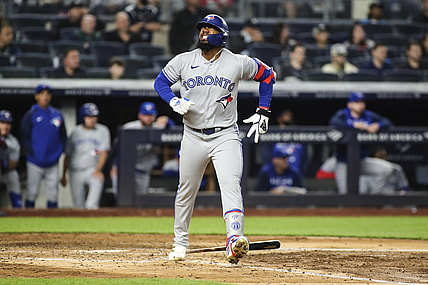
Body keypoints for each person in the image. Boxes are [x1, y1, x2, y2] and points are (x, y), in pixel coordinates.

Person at [153, 14, 275, 264]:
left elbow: (268, 75)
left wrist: (264, 109)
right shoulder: (184, 60)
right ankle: (180, 242)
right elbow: (160, 82)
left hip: (225, 135)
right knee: (186, 190)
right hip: (193, 135)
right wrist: (173, 100)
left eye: (209, 30)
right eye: (202, 30)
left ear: (222, 35)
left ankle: (234, 240)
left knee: (230, 185)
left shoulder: (237, 62)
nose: (203, 34)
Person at [329, 91, 399, 195]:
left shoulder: (368, 115)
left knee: (387, 169)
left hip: (362, 161)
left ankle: (374, 197)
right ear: (350, 104)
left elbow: (387, 122)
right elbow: (333, 122)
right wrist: (353, 125)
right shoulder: (343, 115)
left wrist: (378, 125)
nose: (360, 105)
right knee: (345, 195)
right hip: (344, 162)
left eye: (362, 102)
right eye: (357, 102)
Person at [110, 102, 173, 196]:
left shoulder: (158, 128)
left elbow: (174, 132)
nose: (148, 118)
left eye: (151, 115)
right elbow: (116, 149)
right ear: (140, 115)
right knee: (122, 199)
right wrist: (115, 165)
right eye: (145, 115)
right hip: (125, 170)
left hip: (143, 172)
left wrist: (168, 121)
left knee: (140, 201)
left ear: (155, 116)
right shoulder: (129, 128)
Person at [20, 84, 67, 208]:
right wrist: (33, 152)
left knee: (53, 193)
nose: (45, 97)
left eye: (48, 94)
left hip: (53, 161)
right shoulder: (31, 114)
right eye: (42, 94)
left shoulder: (57, 114)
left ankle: (53, 223)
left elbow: (63, 136)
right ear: (37, 96)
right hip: (34, 161)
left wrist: (59, 152)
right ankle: (27, 221)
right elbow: (24, 136)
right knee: (32, 192)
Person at [61, 103, 111, 209]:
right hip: (75, 171)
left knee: (91, 205)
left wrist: (98, 170)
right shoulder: (75, 132)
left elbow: (104, 153)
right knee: (78, 206)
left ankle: (93, 225)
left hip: (93, 171)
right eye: (89, 117)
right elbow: (68, 155)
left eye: (94, 117)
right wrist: (63, 174)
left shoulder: (102, 130)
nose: (92, 119)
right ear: (82, 117)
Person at [0, 110, 22, 208]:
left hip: (4, 171)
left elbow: (13, 164)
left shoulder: (13, 142)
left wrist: (3, 163)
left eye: (8, 123)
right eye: (2, 123)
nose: (6, 126)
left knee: (13, 175)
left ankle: (17, 209)